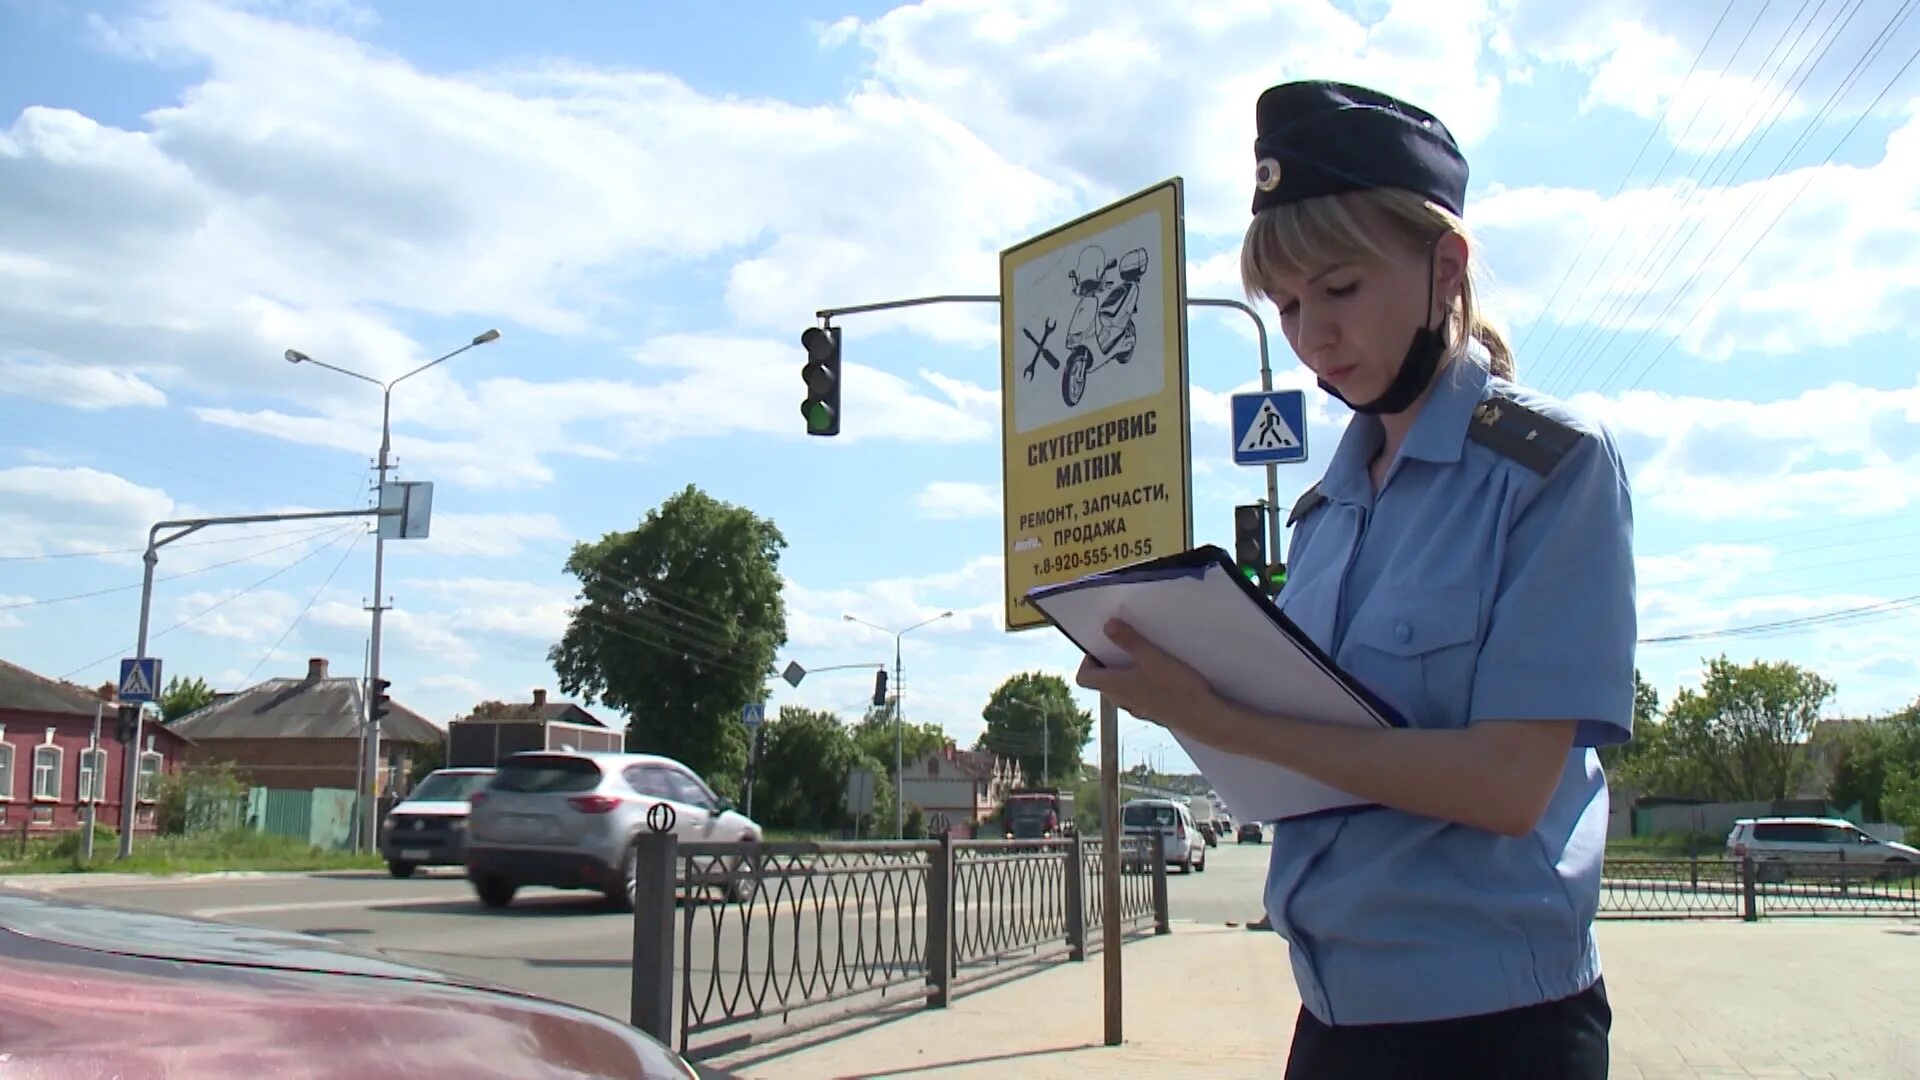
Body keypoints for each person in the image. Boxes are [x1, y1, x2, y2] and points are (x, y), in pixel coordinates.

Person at [1075, 79, 1635, 1078]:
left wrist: (1221, 715)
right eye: (1286, 306)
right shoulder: (1327, 511)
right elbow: (1300, 768)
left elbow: (1507, 786)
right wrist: (1178, 698)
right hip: (1332, 1018)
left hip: (1499, 1033)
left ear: (1444, 266)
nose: (1311, 338)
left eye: (1338, 290)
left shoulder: (1550, 468)